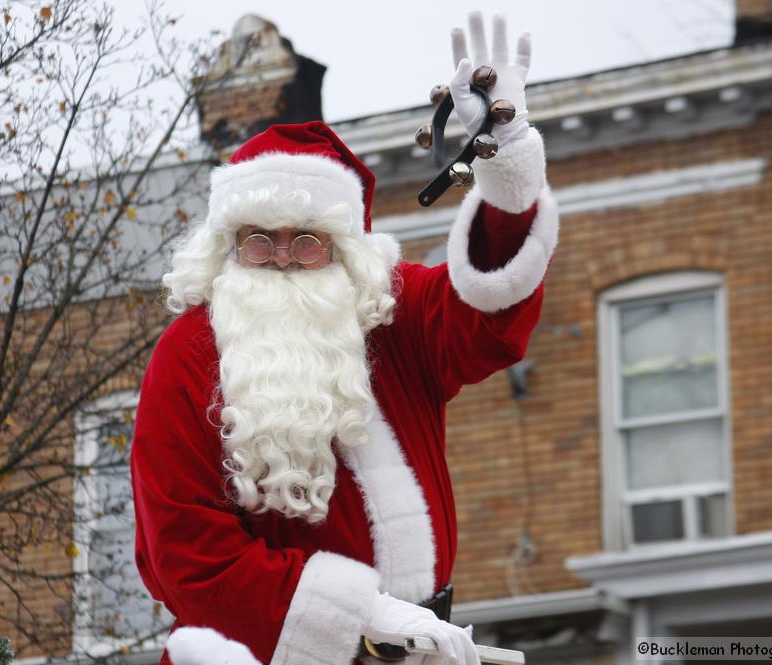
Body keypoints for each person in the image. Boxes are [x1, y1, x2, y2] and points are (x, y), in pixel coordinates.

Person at [130, 11, 559, 665]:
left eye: (304, 239)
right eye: (257, 237)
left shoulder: (391, 311)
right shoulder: (189, 354)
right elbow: (188, 551)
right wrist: (359, 618)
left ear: (341, 249)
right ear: (228, 244)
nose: (278, 256)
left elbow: (490, 316)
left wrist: (507, 166)